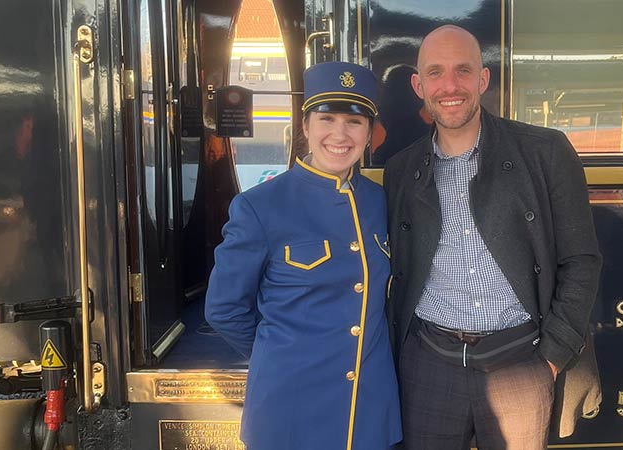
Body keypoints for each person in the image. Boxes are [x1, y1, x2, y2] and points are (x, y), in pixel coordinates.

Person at [383, 25, 602, 450]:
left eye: (463, 70)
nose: (450, 86)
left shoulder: (545, 152)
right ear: (418, 86)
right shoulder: (400, 171)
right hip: (428, 365)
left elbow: (582, 260)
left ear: (483, 79)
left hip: (521, 362)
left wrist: (551, 358)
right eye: (435, 72)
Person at [206, 61, 402, 450]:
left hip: (367, 410)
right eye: (327, 119)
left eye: (354, 122)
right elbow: (224, 309)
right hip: (291, 408)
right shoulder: (260, 206)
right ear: (305, 126)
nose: (340, 135)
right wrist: (282, 355)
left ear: (370, 134)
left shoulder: (379, 201)